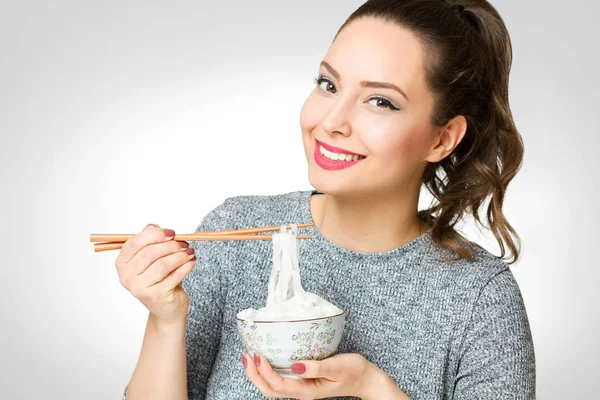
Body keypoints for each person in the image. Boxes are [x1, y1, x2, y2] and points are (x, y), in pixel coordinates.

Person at [118, 0, 536, 398]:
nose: (331, 122)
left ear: (442, 138)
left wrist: (373, 387)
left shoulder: (479, 297)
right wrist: (165, 319)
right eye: (328, 84)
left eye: (380, 101)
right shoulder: (233, 233)